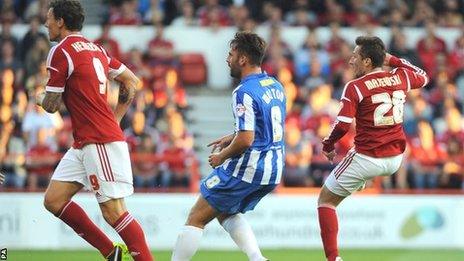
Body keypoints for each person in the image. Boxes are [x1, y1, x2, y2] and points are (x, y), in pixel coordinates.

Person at [36, 1, 153, 260]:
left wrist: (40, 98)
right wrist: (117, 118)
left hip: (98, 140)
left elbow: (52, 106)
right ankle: (111, 253)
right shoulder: (96, 49)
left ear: (61, 22)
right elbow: (131, 81)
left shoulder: (60, 50)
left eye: (49, 18)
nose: (46, 24)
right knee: (54, 200)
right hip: (86, 141)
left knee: (114, 212)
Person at [171, 31, 286, 261]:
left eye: (231, 54)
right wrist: (231, 136)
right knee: (225, 211)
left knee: (196, 217)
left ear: (243, 59)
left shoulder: (243, 91)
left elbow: (247, 140)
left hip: (250, 167)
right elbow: (261, 128)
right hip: (274, 168)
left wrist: (222, 156)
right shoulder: (274, 84)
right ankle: (257, 259)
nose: (227, 59)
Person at [318, 36, 429, 261]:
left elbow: (342, 124)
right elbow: (424, 77)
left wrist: (328, 145)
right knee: (358, 171)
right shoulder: (401, 77)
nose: (351, 61)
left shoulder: (355, 86)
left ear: (367, 62)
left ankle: (333, 259)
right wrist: (395, 60)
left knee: (325, 201)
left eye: (355, 56)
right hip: (396, 158)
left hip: (367, 157)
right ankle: (358, 181)